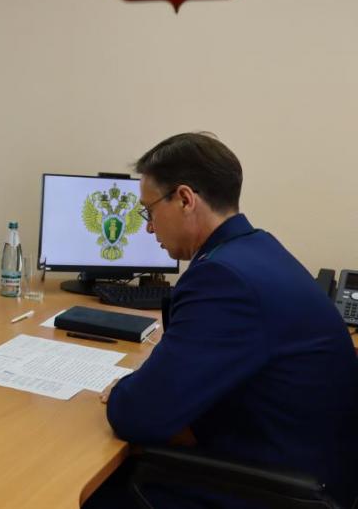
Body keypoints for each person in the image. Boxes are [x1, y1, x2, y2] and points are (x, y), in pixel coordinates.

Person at [89, 132, 358, 508]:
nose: (148, 227)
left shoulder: (224, 279)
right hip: (310, 469)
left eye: (148, 212)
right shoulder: (257, 249)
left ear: (185, 199)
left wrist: (124, 389)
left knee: (91, 488)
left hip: (277, 491)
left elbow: (138, 416)